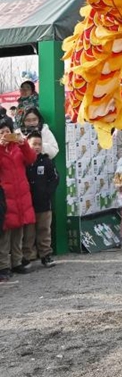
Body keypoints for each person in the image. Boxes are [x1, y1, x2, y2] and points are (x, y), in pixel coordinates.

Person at [0, 118, 37, 278]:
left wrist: (23, 143)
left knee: (19, 231)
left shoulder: (18, 148)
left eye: (7, 132)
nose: (5, 135)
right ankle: (3, 266)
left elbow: (31, 159)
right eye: (1, 132)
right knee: (5, 234)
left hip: (21, 195)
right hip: (5, 196)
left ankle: (17, 262)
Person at [23, 132, 59, 268]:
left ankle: (46, 255)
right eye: (33, 144)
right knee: (28, 232)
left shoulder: (46, 161)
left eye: (39, 144)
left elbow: (55, 178)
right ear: (27, 145)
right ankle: (27, 257)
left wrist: (47, 193)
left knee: (44, 229)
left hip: (44, 204)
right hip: (27, 204)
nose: (36, 147)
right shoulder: (24, 161)